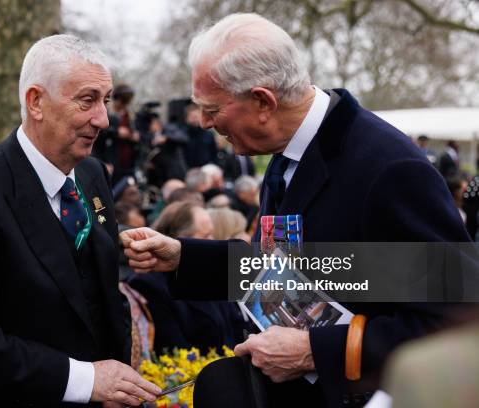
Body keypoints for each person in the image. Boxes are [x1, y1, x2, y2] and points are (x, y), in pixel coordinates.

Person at [120, 13, 470, 408]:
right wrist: (184, 256)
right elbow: (299, 270)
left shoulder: (390, 169)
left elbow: (455, 320)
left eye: (212, 108)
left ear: (263, 102)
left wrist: (314, 350)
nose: (202, 122)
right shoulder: (290, 154)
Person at [0, 34, 160, 407]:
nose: (104, 119)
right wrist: (87, 381)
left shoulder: (93, 173)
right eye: (87, 100)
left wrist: (116, 382)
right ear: (36, 102)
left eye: (106, 100)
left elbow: (101, 290)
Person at [129, 201, 248, 354]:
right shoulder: (149, 285)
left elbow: (237, 327)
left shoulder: (212, 273)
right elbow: (173, 350)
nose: (214, 241)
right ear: (179, 240)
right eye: (206, 236)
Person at [183, 103, 218, 168]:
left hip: (206, 169)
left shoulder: (209, 135)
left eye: (197, 117)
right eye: (192, 117)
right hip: (189, 170)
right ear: (186, 119)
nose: (195, 119)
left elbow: (214, 154)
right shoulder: (183, 135)